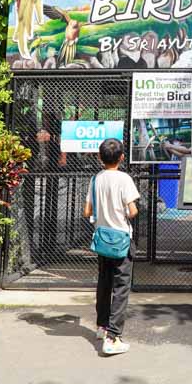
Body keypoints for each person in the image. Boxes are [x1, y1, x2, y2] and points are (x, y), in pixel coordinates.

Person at [82, 137, 139, 356]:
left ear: (99, 157)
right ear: (122, 157)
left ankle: (101, 326)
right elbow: (132, 210)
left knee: (104, 284)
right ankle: (113, 337)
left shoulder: (95, 179)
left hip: (102, 238)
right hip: (122, 240)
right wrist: (122, 213)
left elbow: (87, 211)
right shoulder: (124, 179)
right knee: (121, 287)